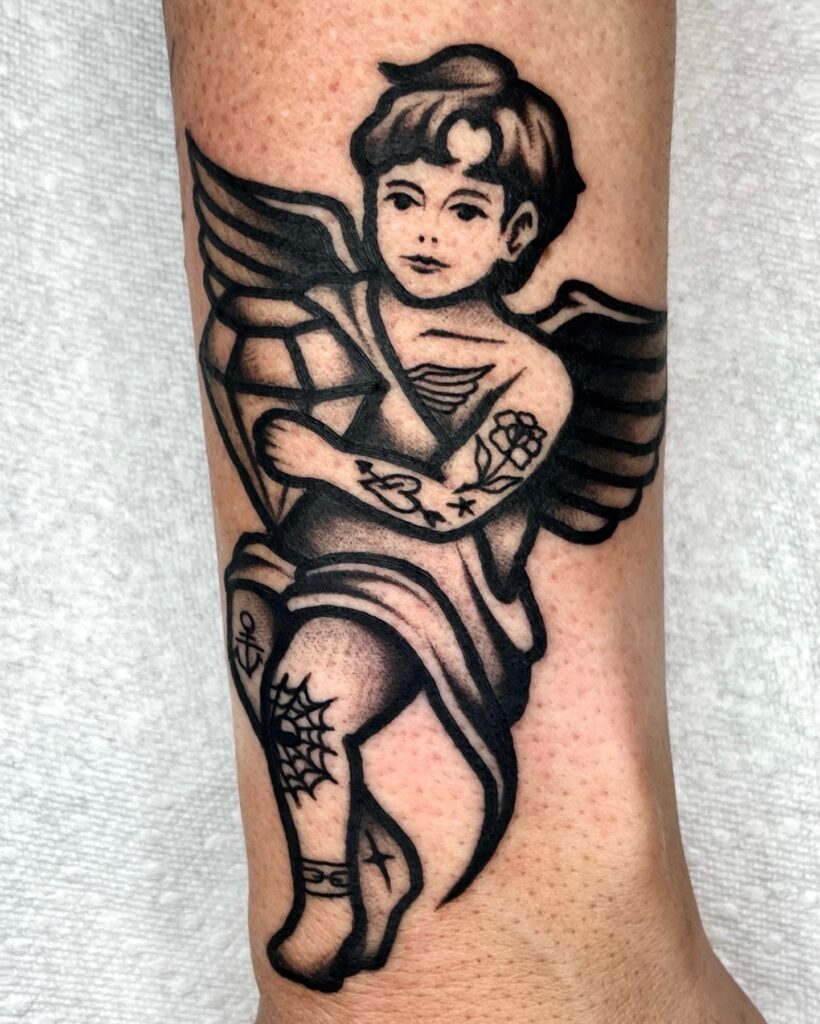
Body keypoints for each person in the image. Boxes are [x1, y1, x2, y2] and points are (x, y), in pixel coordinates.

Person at [165, 4, 767, 1022]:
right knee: (259, 639)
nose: (426, 231)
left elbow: (451, 505)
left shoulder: (530, 373)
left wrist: (329, 460)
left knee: (307, 692)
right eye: (403, 198)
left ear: (516, 233)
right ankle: (370, 859)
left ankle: (333, 897)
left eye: (464, 208)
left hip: (433, 592)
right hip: (311, 556)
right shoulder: (340, 312)